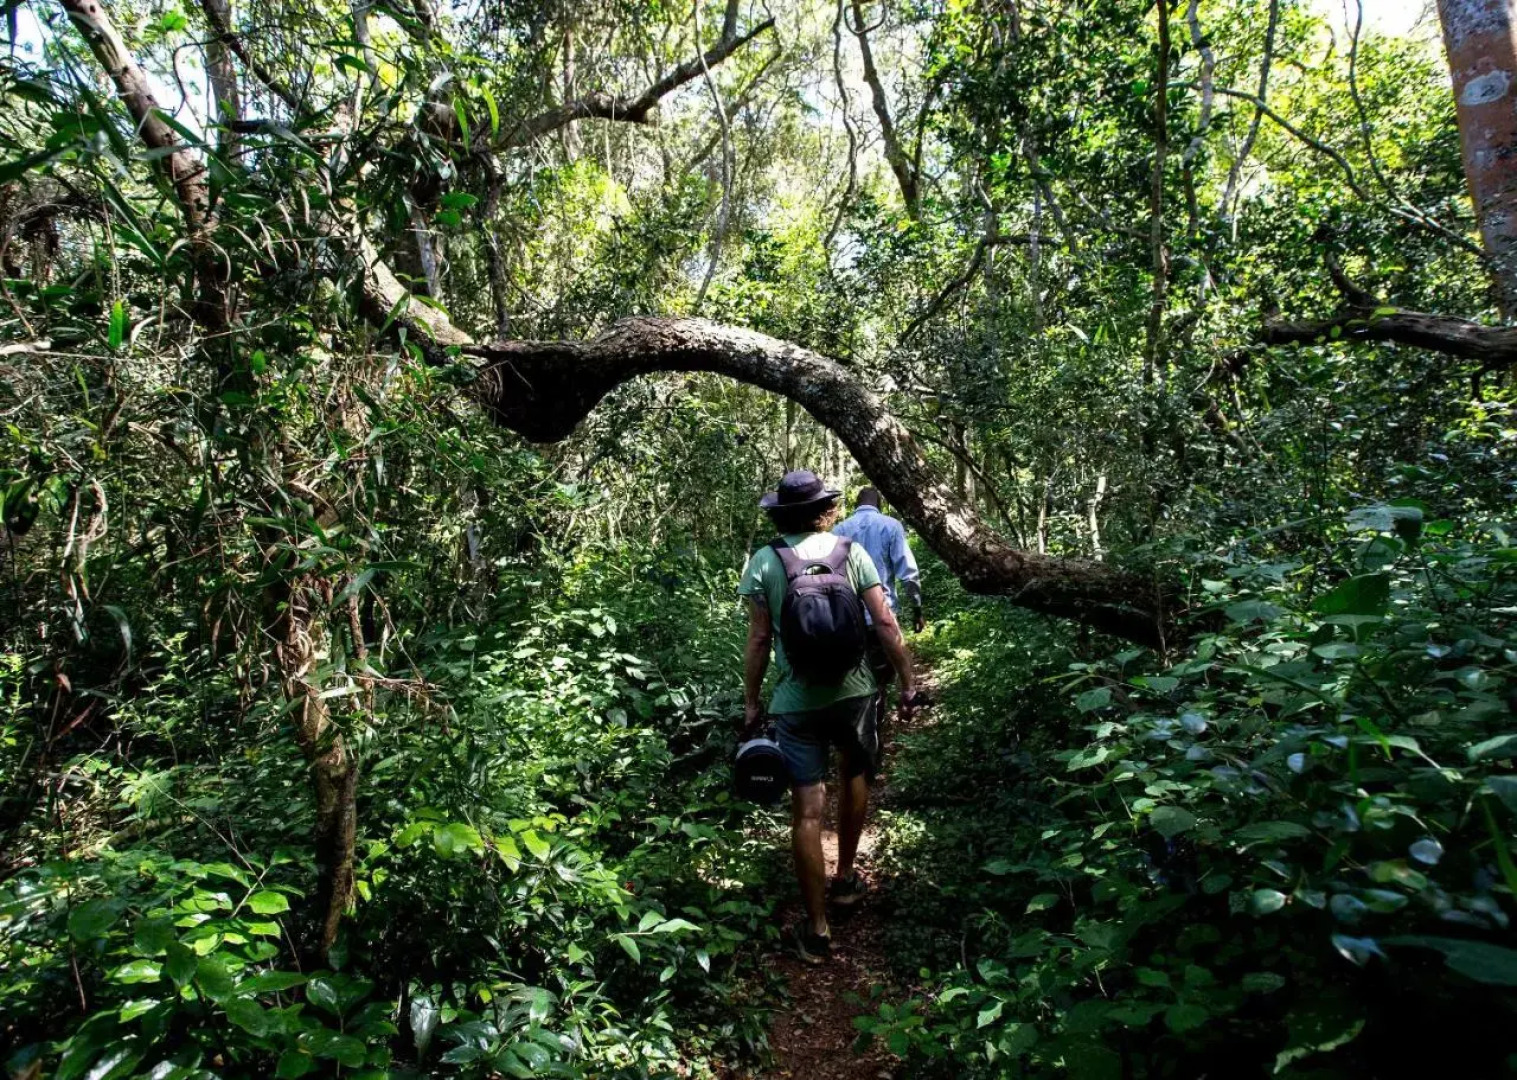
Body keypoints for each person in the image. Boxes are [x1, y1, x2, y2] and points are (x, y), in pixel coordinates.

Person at [739, 470, 918, 964]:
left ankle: (817, 927)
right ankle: (844, 880)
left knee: (807, 811)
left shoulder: (766, 561)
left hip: (796, 701)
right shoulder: (850, 552)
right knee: (855, 773)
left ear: (780, 513)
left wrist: (752, 702)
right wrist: (906, 681)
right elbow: (884, 621)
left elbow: (758, 639)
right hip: (855, 691)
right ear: (824, 509)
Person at [834, 487, 924, 714]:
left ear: (856, 504)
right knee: (881, 677)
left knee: (855, 677)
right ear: (880, 503)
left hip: (848, 619)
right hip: (881, 615)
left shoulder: (839, 530)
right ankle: (886, 710)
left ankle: (866, 724)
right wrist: (917, 608)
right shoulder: (891, 526)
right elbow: (908, 573)